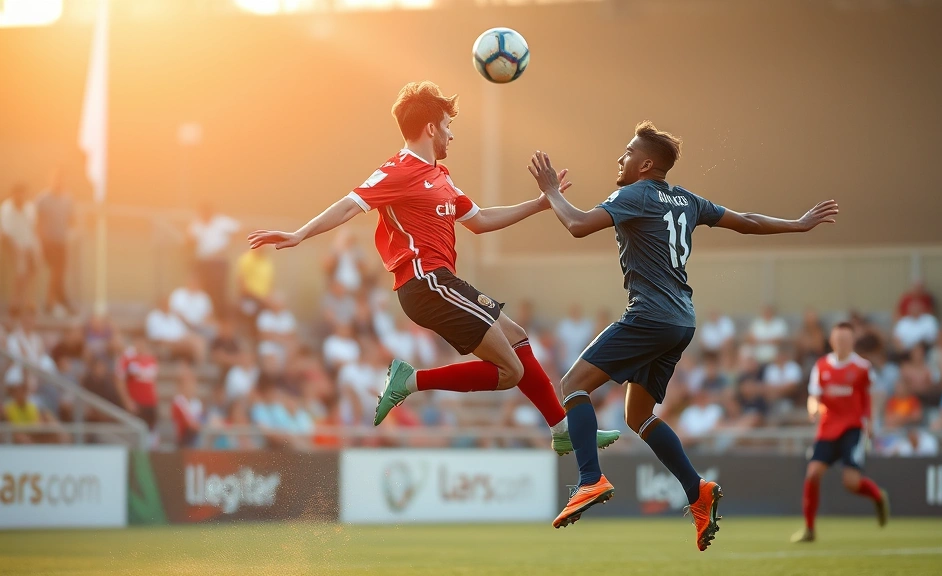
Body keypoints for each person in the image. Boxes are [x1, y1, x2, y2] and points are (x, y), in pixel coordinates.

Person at [247, 81, 620, 455]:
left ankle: (562, 429)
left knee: (518, 338)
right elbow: (349, 204)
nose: (451, 134)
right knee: (511, 372)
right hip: (424, 282)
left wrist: (540, 204)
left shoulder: (441, 176)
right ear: (430, 128)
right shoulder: (398, 170)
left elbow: (480, 219)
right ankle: (410, 381)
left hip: (442, 282)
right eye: (447, 125)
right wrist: (299, 233)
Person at [526, 121, 838, 549]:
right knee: (638, 416)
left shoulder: (634, 194)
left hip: (650, 316)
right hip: (682, 322)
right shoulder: (686, 199)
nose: (621, 158)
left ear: (646, 164)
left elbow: (578, 225)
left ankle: (589, 478)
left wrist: (551, 192)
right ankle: (697, 491)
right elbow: (746, 221)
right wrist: (797, 224)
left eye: (628, 152)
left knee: (572, 384)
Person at [792, 322, 889, 543]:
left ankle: (877, 496)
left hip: (853, 429)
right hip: (827, 429)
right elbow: (813, 396)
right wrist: (813, 409)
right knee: (812, 473)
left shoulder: (862, 367)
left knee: (851, 482)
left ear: (852, 342)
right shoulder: (822, 366)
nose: (841, 344)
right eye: (838, 340)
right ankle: (809, 529)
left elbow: (873, 394)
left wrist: (871, 421)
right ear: (832, 341)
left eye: (845, 340)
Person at [35, 171, 76, 316]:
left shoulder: (67, 199)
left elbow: (71, 219)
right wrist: (41, 240)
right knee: (56, 269)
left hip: (62, 241)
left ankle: (59, 298)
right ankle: (51, 301)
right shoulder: (43, 199)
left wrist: (70, 233)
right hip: (48, 241)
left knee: (60, 271)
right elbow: (37, 221)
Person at [188, 203, 240, 317]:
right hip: (203, 262)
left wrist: (227, 247)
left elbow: (238, 230)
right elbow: (190, 240)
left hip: (218, 262)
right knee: (205, 291)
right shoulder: (197, 224)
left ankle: (220, 318)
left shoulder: (222, 221)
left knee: (219, 292)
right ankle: (206, 317)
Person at [0, 184, 40, 309]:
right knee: (20, 269)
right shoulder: (6, 208)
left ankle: (28, 300)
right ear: (14, 195)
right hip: (11, 245)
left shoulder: (29, 208)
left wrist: (30, 248)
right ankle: (15, 301)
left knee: (33, 268)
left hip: (28, 243)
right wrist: (18, 249)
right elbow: (6, 234)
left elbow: (32, 229)